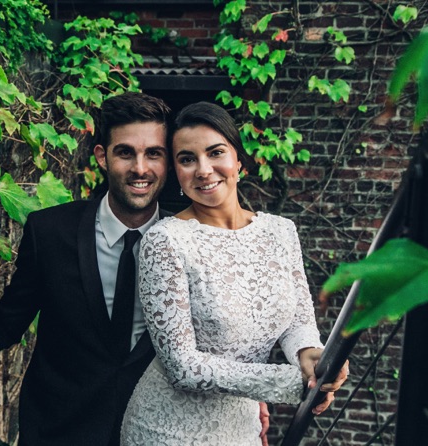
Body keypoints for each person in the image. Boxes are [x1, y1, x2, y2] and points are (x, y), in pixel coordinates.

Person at [0, 94, 344, 446]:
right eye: (125, 153)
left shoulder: (192, 237)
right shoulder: (50, 231)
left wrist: (255, 392)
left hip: (161, 428)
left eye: (154, 153)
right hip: (62, 426)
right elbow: (5, 322)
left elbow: (227, 329)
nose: (141, 168)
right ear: (102, 156)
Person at [120, 102, 347, 445]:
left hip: (243, 429)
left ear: (238, 160)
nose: (203, 170)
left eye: (216, 153)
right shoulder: (165, 240)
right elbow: (182, 367)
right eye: (187, 159)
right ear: (177, 172)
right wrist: (293, 382)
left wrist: (309, 356)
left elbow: (297, 321)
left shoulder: (281, 232)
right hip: (168, 431)